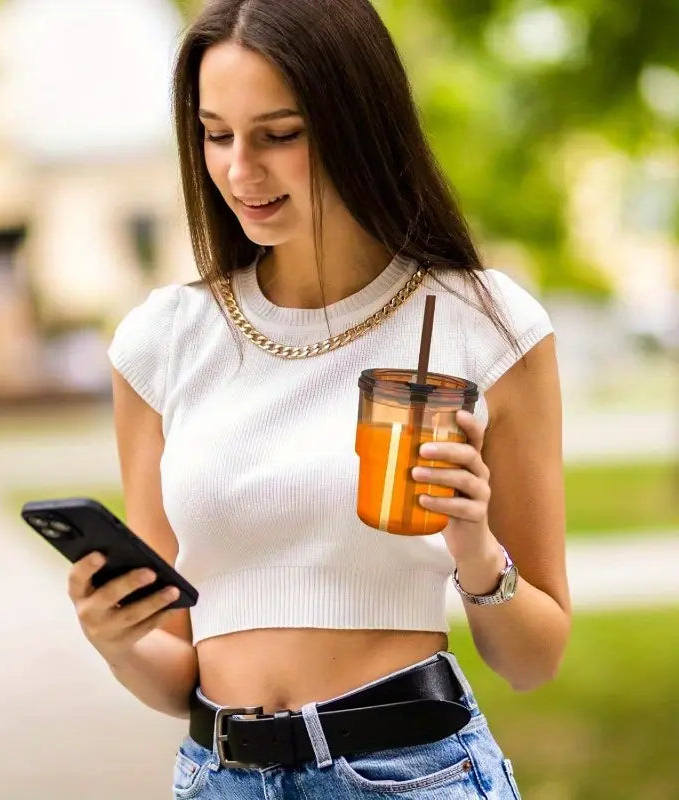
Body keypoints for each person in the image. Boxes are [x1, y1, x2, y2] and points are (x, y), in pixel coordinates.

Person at [67, 1, 570, 797]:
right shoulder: (161, 342)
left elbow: (536, 660)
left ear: (358, 123)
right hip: (220, 777)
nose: (240, 170)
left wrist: (475, 552)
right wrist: (117, 640)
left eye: (279, 133)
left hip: (410, 774)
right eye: (215, 133)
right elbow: (176, 670)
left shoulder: (484, 324)